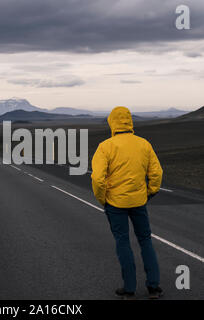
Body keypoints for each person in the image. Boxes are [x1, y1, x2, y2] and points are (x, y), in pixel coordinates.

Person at [91, 106, 164, 300]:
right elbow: (157, 173)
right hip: (139, 201)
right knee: (145, 240)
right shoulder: (144, 144)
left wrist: (103, 199)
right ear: (129, 121)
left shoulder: (105, 147)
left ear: (112, 123)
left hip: (115, 204)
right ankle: (154, 287)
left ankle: (130, 289)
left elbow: (98, 179)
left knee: (123, 242)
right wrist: (150, 192)